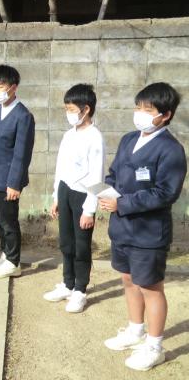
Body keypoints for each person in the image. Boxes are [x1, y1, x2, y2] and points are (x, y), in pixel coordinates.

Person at [99, 82, 187, 371]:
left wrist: (122, 204)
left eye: (147, 110)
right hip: (122, 228)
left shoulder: (171, 150)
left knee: (150, 287)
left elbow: (165, 193)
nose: (140, 114)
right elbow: (114, 174)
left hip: (148, 232)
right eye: (138, 107)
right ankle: (135, 330)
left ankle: (154, 345)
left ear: (165, 115)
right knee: (128, 279)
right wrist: (107, 190)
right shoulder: (128, 139)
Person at [43, 84, 105, 313]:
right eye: (66, 109)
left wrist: (90, 209)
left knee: (81, 246)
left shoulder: (95, 137)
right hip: (65, 191)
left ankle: (80, 290)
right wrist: (56, 197)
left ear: (85, 109)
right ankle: (67, 284)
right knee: (66, 242)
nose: (68, 113)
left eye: (71, 109)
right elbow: (61, 167)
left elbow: (97, 174)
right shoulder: (69, 135)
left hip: (82, 196)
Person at [0, 65, 35, 278]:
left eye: (0, 87)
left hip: (8, 180)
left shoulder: (23, 116)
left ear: (13, 87)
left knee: (8, 221)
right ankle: (5, 253)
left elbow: (22, 154)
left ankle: (13, 261)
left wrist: (14, 183)